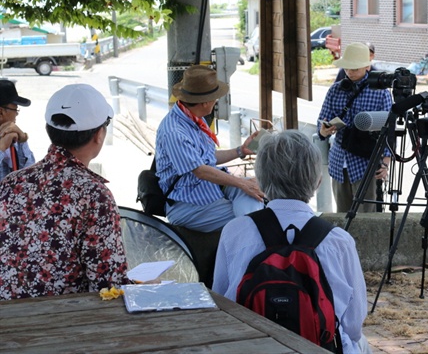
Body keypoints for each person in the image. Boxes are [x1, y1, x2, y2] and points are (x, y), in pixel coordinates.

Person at [213, 130, 371, 353]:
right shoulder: (339, 241)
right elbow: (353, 325)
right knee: (360, 343)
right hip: (319, 346)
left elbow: (222, 307)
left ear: (262, 181)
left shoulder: (234, 231)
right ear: (317, 182)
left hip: (252, 347)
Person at [0, 83, 128, 300]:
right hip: (61, 321)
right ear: (99, 135)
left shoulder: (11, 182)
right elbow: (109, 285)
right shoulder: (95, 195)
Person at [155, 65, 264, 233]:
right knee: (250, 219)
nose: (217, 100)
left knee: (254, 194)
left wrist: (240, 151)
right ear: (206, 102)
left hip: (209, 191)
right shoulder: (174, 132)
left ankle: (255, 240)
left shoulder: (195, 118)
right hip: (188, 204)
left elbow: (207, 157)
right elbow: (201, 170)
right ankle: (252, 246)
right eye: (216, 97)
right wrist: (242, 183)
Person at [317, 42, 392, 213]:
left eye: (355, 69)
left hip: (365, 162)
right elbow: (321, 121)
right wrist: (323, 130)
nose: (350, 72)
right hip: (338, 162)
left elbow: (388, 130)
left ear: (367, 66)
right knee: (342, 217)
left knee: (367, 219)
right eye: (347, 68)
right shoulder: (335, 90)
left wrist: (386, 163)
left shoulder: (381, 93)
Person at [0, 80, 34, 180]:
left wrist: (23, 139)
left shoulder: (12, 134)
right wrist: (1, 147)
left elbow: (30, 173)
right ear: (1, 112)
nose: (17, 114)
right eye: (15, 110)